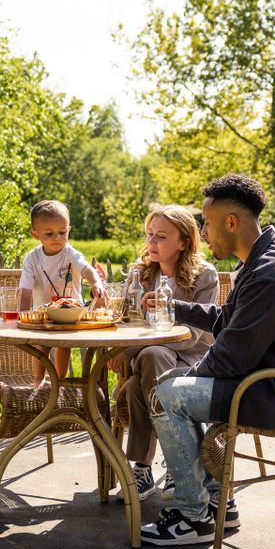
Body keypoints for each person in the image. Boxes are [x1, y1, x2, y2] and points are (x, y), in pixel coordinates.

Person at [140, 174, 275, 546]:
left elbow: (232, 357)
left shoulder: (270, 273)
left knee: (167, 394)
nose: (202, 232)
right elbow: (226, 324)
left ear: (231, 222)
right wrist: (177, 307)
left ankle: (192, 515)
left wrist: (183, 382)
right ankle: (220, 503)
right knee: (173, 383)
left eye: (207, 223)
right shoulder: (260, 260)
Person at [108, 205, 219, 501]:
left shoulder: (204, 276)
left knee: (134, 386)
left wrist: (135, 347)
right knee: (152, 357)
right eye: (149, 234)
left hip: (192, 359)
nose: (152, 242)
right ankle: (174, 464)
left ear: (183, 242)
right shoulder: (140, 274)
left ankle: (146, 467)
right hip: (150, 362)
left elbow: (195, 334)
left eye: (161, 236)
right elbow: (127, 321)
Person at [19, 200, 106, 386]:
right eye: (49, 234)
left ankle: (59, 380)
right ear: (35, 234)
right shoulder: (32, 258)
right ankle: (38, 380)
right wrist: (22, 316)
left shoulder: (70, 253)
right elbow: (25, 290)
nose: (57, 237)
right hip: (42, 314)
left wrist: (96, 282)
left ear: (69, 229)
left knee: (62, 345)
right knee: (41, 345)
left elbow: (86, 269)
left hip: (71, 314)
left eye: (62, 232)